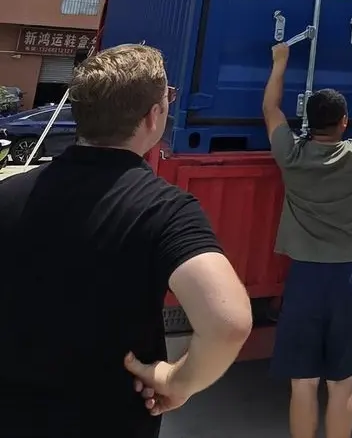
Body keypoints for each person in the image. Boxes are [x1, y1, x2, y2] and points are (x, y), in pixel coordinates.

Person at [0, 44, 253, 437]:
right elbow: (228, 322)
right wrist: (178, 381)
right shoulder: (165, 209)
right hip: (109, 420)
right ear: (153, 117)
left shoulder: (8, 193)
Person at [262, 43, 352, 438]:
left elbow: (271, 110)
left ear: (307, 120)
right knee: (342, 383)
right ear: (344, 121)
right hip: (348, 279)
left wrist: (280, 64)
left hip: (303, 278)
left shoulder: (291, 154)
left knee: (302, 382)